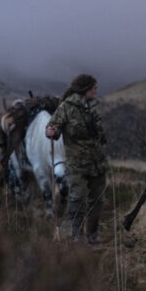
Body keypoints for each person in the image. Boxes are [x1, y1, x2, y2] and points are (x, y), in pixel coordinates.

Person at [45, 74, 109, 244]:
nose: (96, 91)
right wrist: (50, 132)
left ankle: (93, 233)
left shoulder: (95, 106)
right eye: (94, 88)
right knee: (78, 197)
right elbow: (54, 127)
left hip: (97, 163)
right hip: (77, 163)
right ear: (85, 89)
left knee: (98, 199)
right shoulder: (66, 107)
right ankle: (77, 235)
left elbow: (101, 133)